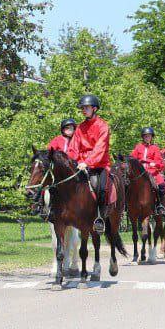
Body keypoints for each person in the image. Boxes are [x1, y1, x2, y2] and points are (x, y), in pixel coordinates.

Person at [65, 94, 112, 230]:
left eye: (86, 107)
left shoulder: (103, 126)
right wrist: (71, 161)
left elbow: (100, 148)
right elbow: (73, 148)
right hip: (81, 165)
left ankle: (100, 218)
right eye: (82, 108)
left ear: (94, 108)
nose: (83, 110)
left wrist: (87, 162)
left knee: (102, 188)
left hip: (99, 165)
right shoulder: (79, 128)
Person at [130, 127, 165, 212]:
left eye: (149, 136)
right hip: (139, 172)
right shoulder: (138, 147)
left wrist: (149, 162)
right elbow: (132, 159)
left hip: (152, 171)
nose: (147, 138)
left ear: (151, 137)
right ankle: (126, 204)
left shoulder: (155, 148)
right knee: (127, 183)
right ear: (143, 137)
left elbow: (158, 162)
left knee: (161, 185)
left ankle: (159, 205)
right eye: (146, 136)